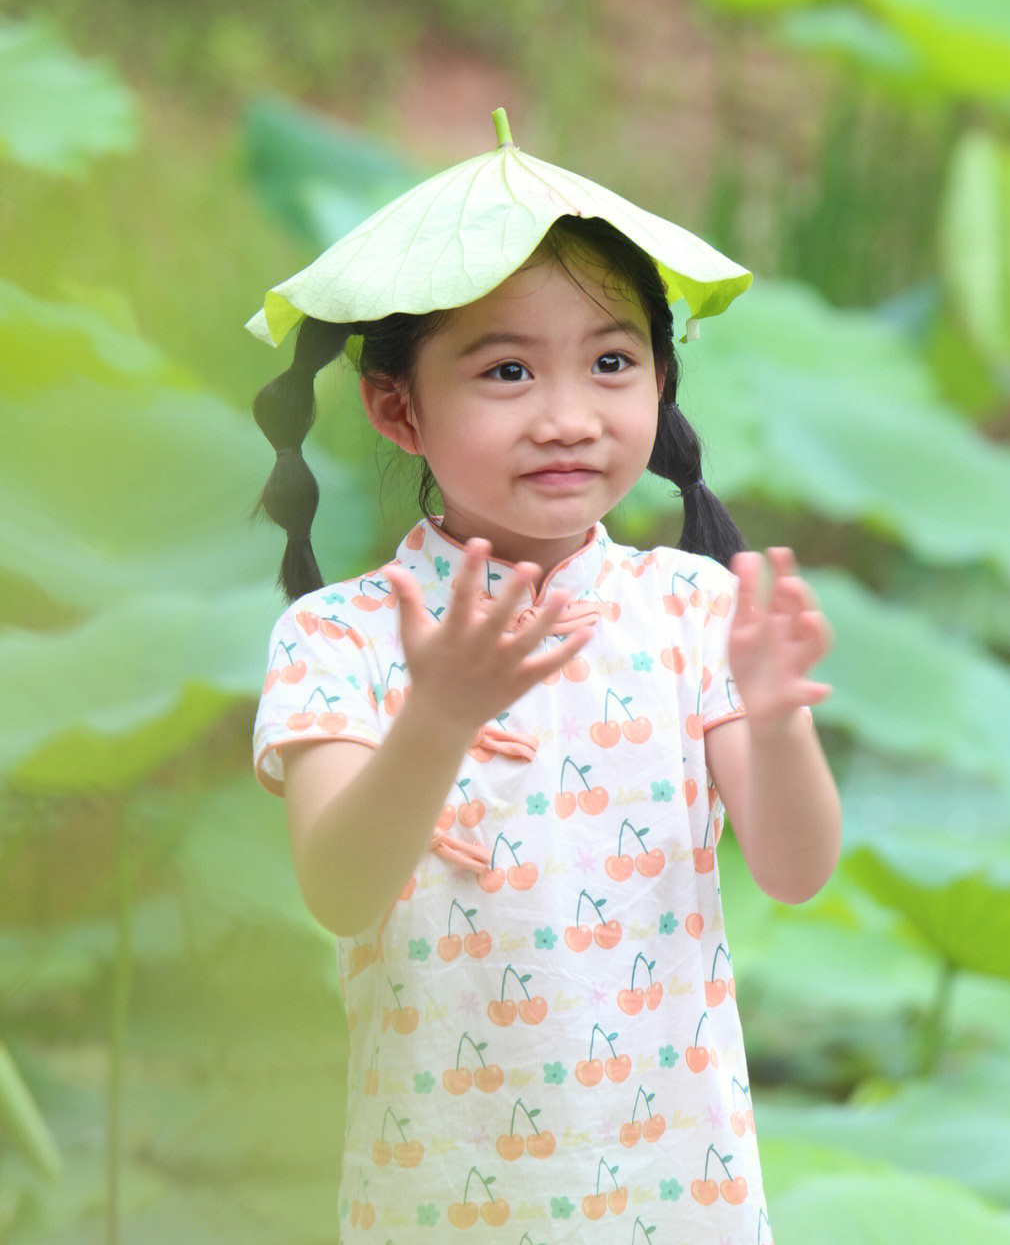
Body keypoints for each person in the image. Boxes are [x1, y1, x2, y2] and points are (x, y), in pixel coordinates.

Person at [249, 136, 841, 1243]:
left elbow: (796, 868)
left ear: (662, 383)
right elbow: (338, 889)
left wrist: (777, 718)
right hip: (442, 1195)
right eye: (509, 370)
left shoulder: (687, 608)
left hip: (677, 1193)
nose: (569, 414)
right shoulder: (340, 636)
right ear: (396, 410)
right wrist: (438, 716)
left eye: (612, 364)